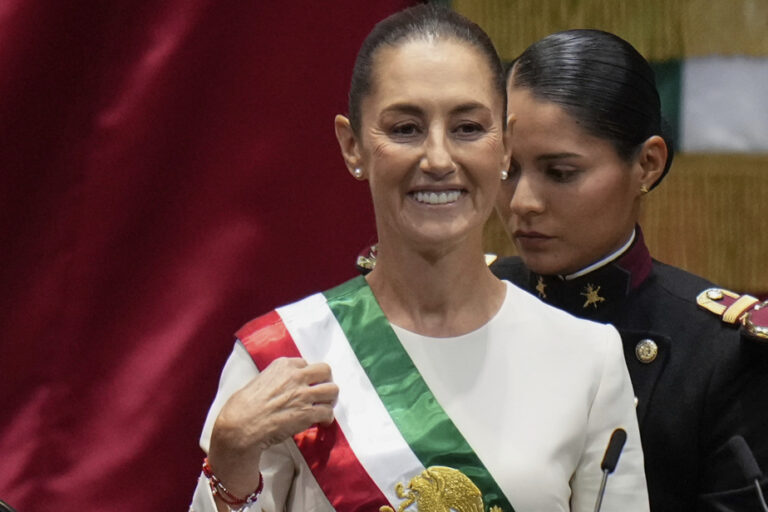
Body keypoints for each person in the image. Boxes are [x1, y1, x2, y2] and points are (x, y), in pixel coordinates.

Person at [190, 9, 649, 512]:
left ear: (506, 145)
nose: (437, 159)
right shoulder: (282, 355)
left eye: (468, 127)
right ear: (352, 145)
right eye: (406, 128)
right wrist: (232, 458)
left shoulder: (588, 358)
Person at [491, 28, 768, 511]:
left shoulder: (719, 357)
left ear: (647, 164)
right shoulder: (468, 301)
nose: (523, 202)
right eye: (507, 170)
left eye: (561, 173)